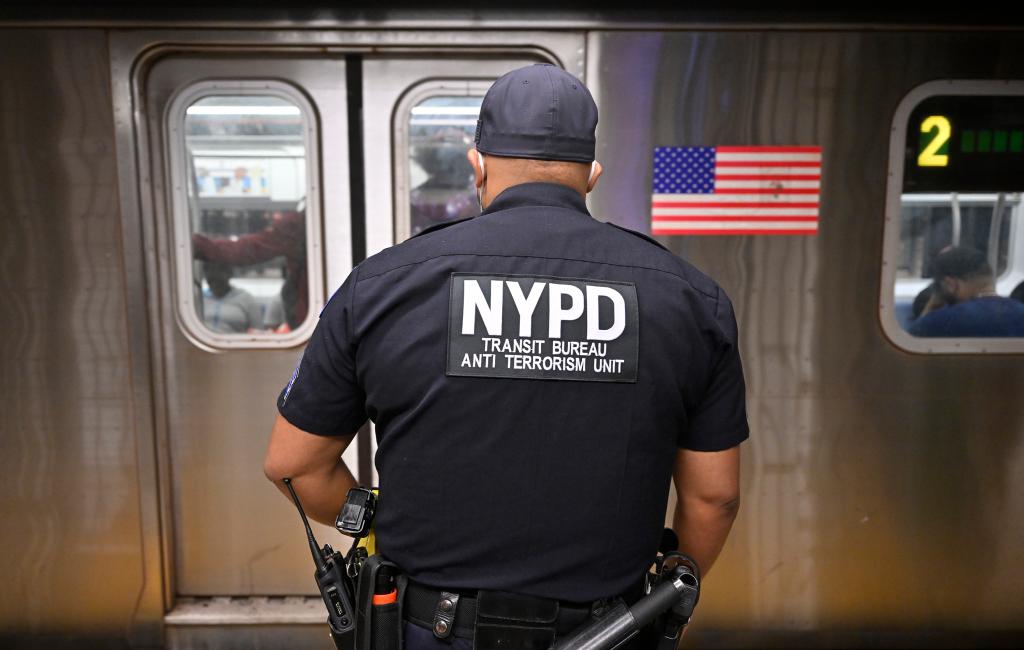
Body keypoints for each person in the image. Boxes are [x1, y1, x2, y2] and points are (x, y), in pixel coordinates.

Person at [263, 63, 748, 649]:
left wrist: (372, 521)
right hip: (610, 631)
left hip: (428, 629)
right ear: (591, 175)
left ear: (478, 164)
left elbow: (295, 465)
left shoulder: (383, 285)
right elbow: (714, 495)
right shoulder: (690, 299)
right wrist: (671, 594)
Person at [192, 208, 307, 331]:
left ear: (229, 273)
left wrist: (197, 245)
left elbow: (250, 250)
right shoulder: (305, 223)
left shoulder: (297, 224)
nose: (213, 276)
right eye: (208, 270)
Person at [909, 246, 1024, 337]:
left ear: (951, 284)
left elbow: (910, 345)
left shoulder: (941, 322)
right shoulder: (1020, 311)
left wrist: (929, 311)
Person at [199, 260, 264, 333]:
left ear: (229, 273)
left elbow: (258, 331)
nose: (214, 274)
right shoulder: (199, 298)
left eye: (220, 270)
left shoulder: (246, 299)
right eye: (209, 270)